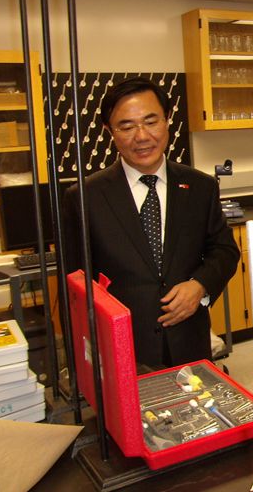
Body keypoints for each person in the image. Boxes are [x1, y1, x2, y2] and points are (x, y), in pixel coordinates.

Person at [63, 77, 240, 369]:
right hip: (122, 351)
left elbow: (224, 251)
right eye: (127, 126)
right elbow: (75, 286)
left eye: (151, 121)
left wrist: (199, 285)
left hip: (189, 344)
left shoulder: (200, 187)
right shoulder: (85, 197)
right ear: (109, 131)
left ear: (167, 120)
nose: (142, 136)